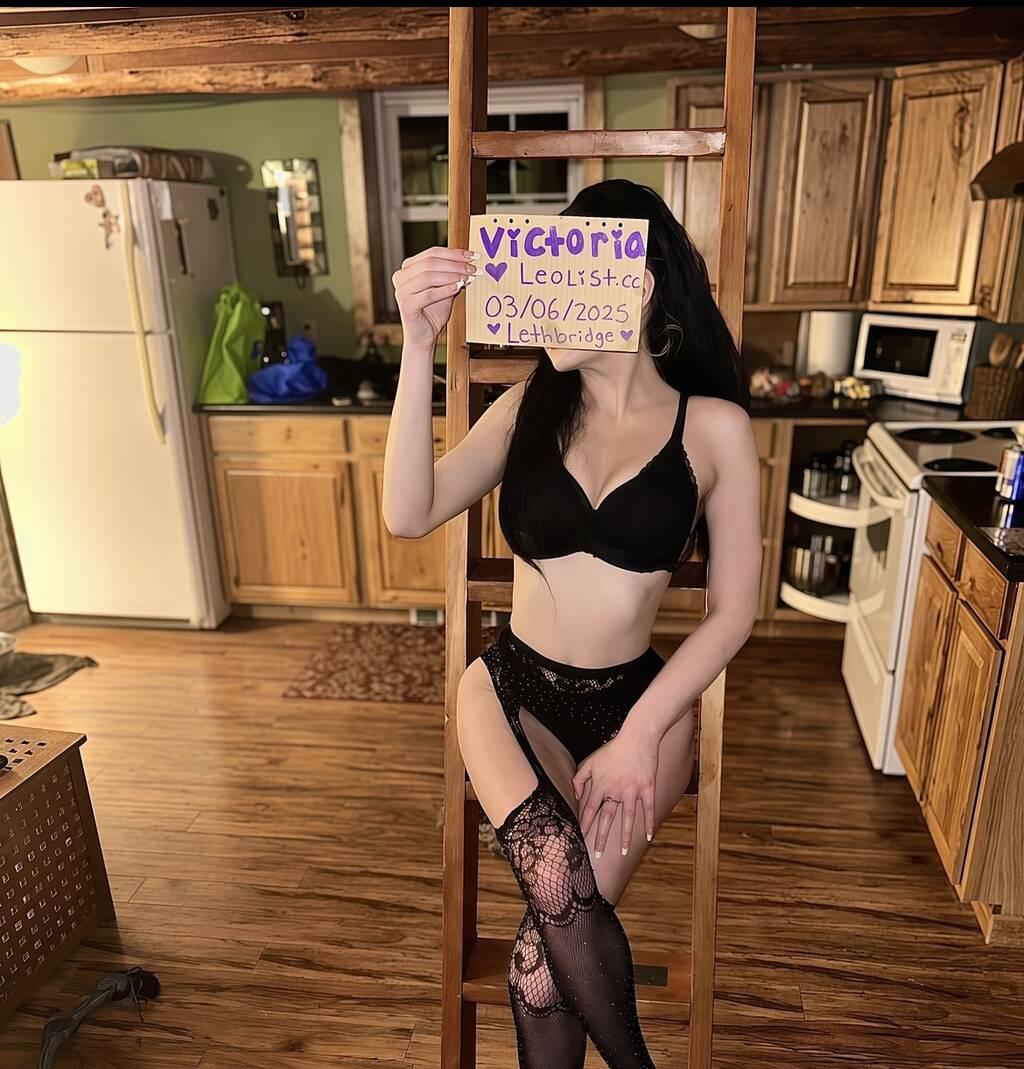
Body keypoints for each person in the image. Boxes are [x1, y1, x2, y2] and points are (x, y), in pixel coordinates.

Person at [382, 179, 761, 1069]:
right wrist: (417, 343)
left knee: (539, 967)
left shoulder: (715, 428)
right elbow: (408, 511)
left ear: (637, 284)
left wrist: (638, 737)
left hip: (643, 706)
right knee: (555, 871)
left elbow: (734, 611)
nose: (542, 303)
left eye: (565, 277)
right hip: (510, 690)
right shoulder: (527, 409)